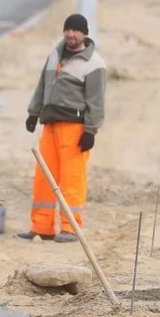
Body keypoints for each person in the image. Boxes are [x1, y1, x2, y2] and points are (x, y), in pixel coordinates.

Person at [19, 14, 107, 243]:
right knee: (43, 178)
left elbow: (96, 100)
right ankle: (42, 227)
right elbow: (42, 86)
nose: (71, 34)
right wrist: (33, 112)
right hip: (50, 125)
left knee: (72, 180)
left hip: (75, 129)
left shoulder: (94, 63)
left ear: (85, 34)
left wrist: (91, 130)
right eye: (68, 29)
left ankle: (70, 228)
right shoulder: (55, 55)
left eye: (76, 30)